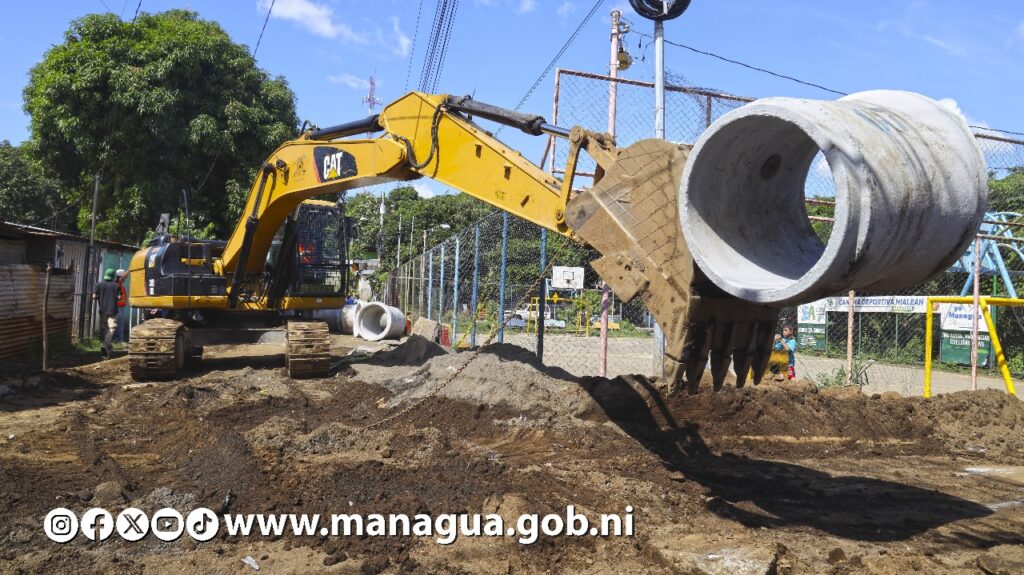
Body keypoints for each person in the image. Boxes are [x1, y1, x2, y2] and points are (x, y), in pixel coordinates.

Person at [93, 269, 121, 357]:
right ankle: (105, 346)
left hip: (102, 310)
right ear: (113, 276)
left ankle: (108, 347)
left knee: (105, 329)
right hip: (113, 310)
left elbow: (94, 296)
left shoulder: (98, 285)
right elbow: (119, 297)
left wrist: (99, 296)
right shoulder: (117, 286)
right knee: (112, 328)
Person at [114, 269, 128, 343]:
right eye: (125, 278)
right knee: (120, 323)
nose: (125, 279)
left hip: (120, 307)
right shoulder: (117, 284)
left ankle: (118, 338)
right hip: (118, 307)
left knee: (119, 323)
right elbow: (122, 278)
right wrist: (130, 269)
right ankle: (120, 339)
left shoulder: (120, 284)